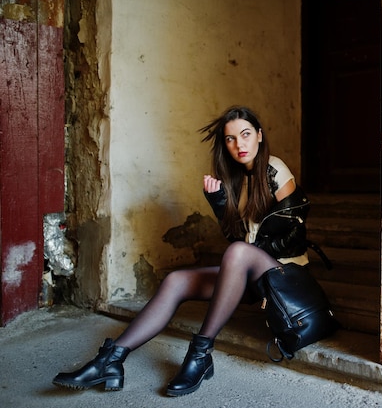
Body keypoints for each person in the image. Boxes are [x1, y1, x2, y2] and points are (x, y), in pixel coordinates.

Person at [53, 105, 314, 397]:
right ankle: (111, 359)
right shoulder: (237, 181)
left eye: (246, 134)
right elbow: (236, 240)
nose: (239, 144)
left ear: (259, 136)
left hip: (285, 276)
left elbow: (294, 234)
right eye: (230, 139)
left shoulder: (275, 169)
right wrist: (219, 204)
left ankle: (201, 354)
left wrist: (251, 252)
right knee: (176, 281)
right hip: (253, 274)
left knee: (240, 253)